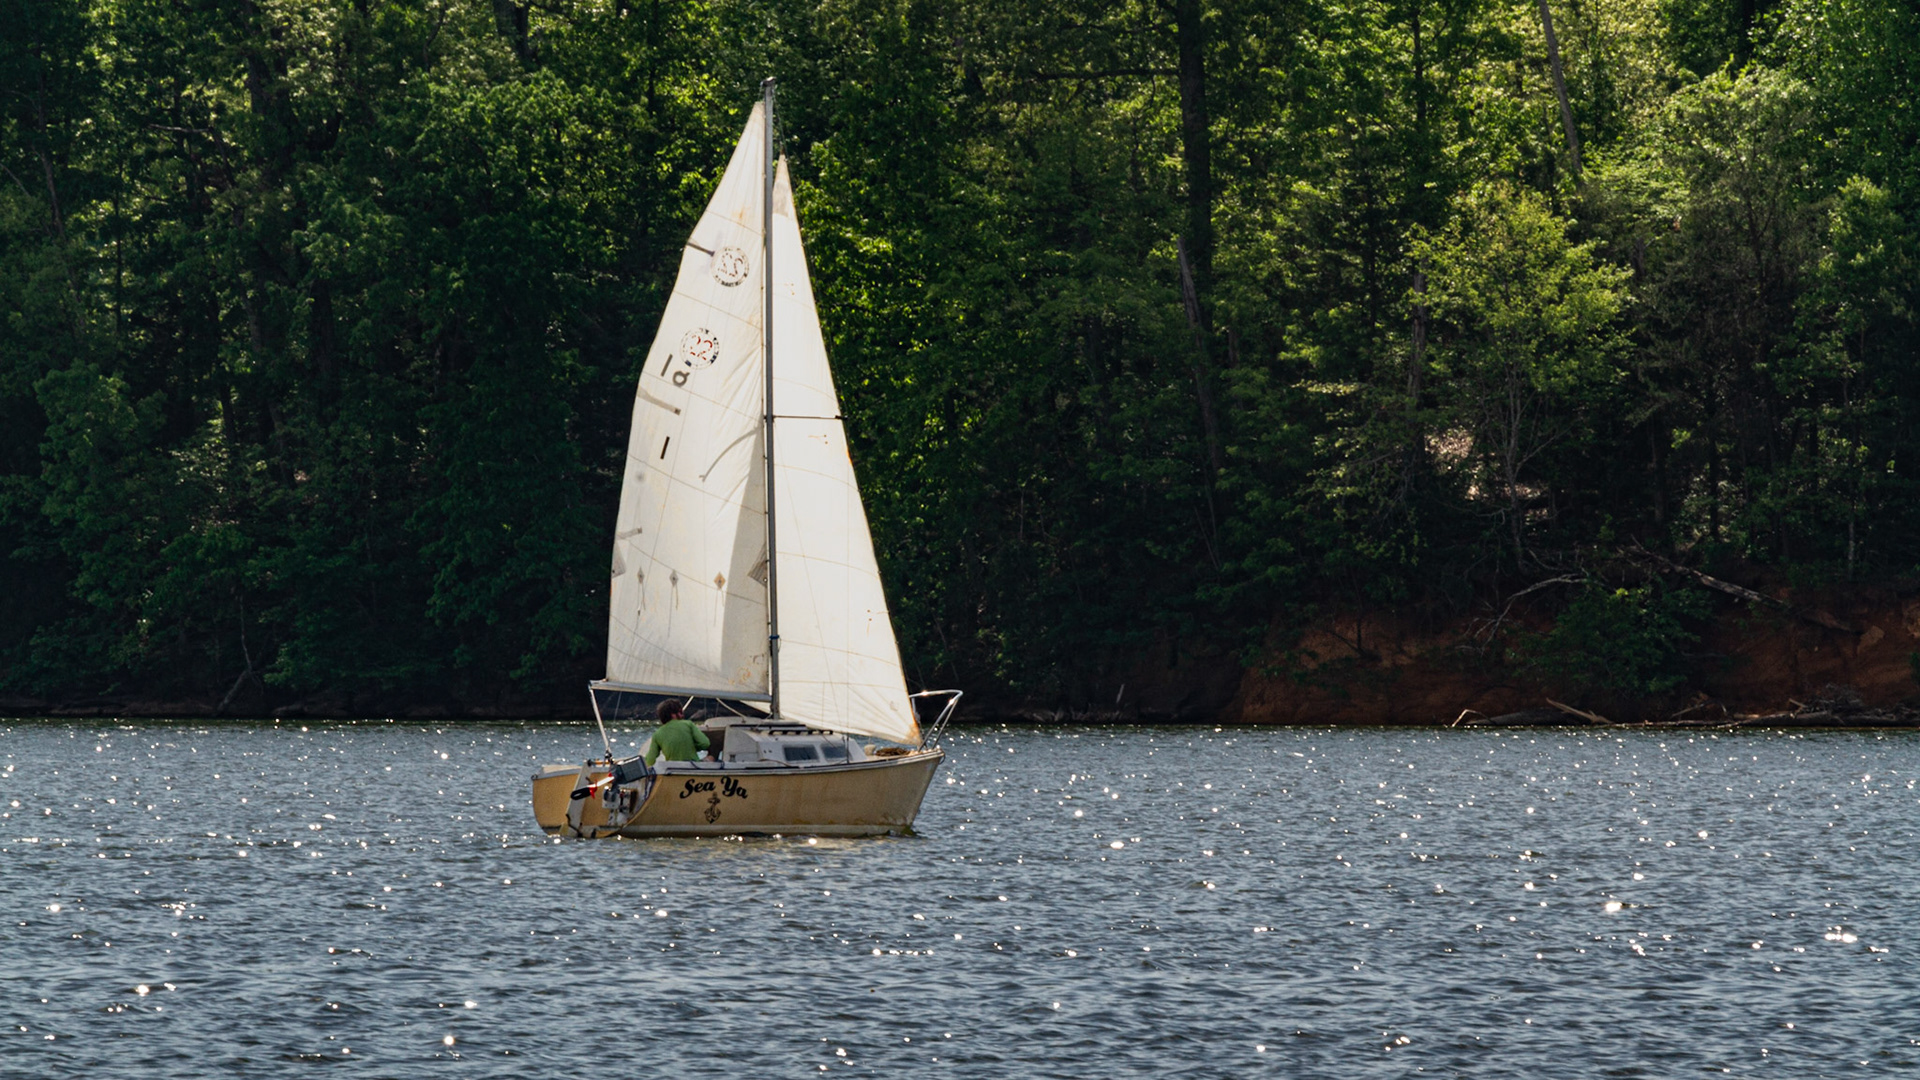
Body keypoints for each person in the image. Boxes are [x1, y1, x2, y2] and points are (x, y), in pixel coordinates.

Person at [645, 699, 710, 766]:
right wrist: (691, 748)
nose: (682, 715)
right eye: (680, 712)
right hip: (692, 767)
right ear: (673, 714)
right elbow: (705, 743)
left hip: (672, 769)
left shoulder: (657, 734)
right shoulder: (688, 724)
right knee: (712, 758)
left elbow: (650, 760)